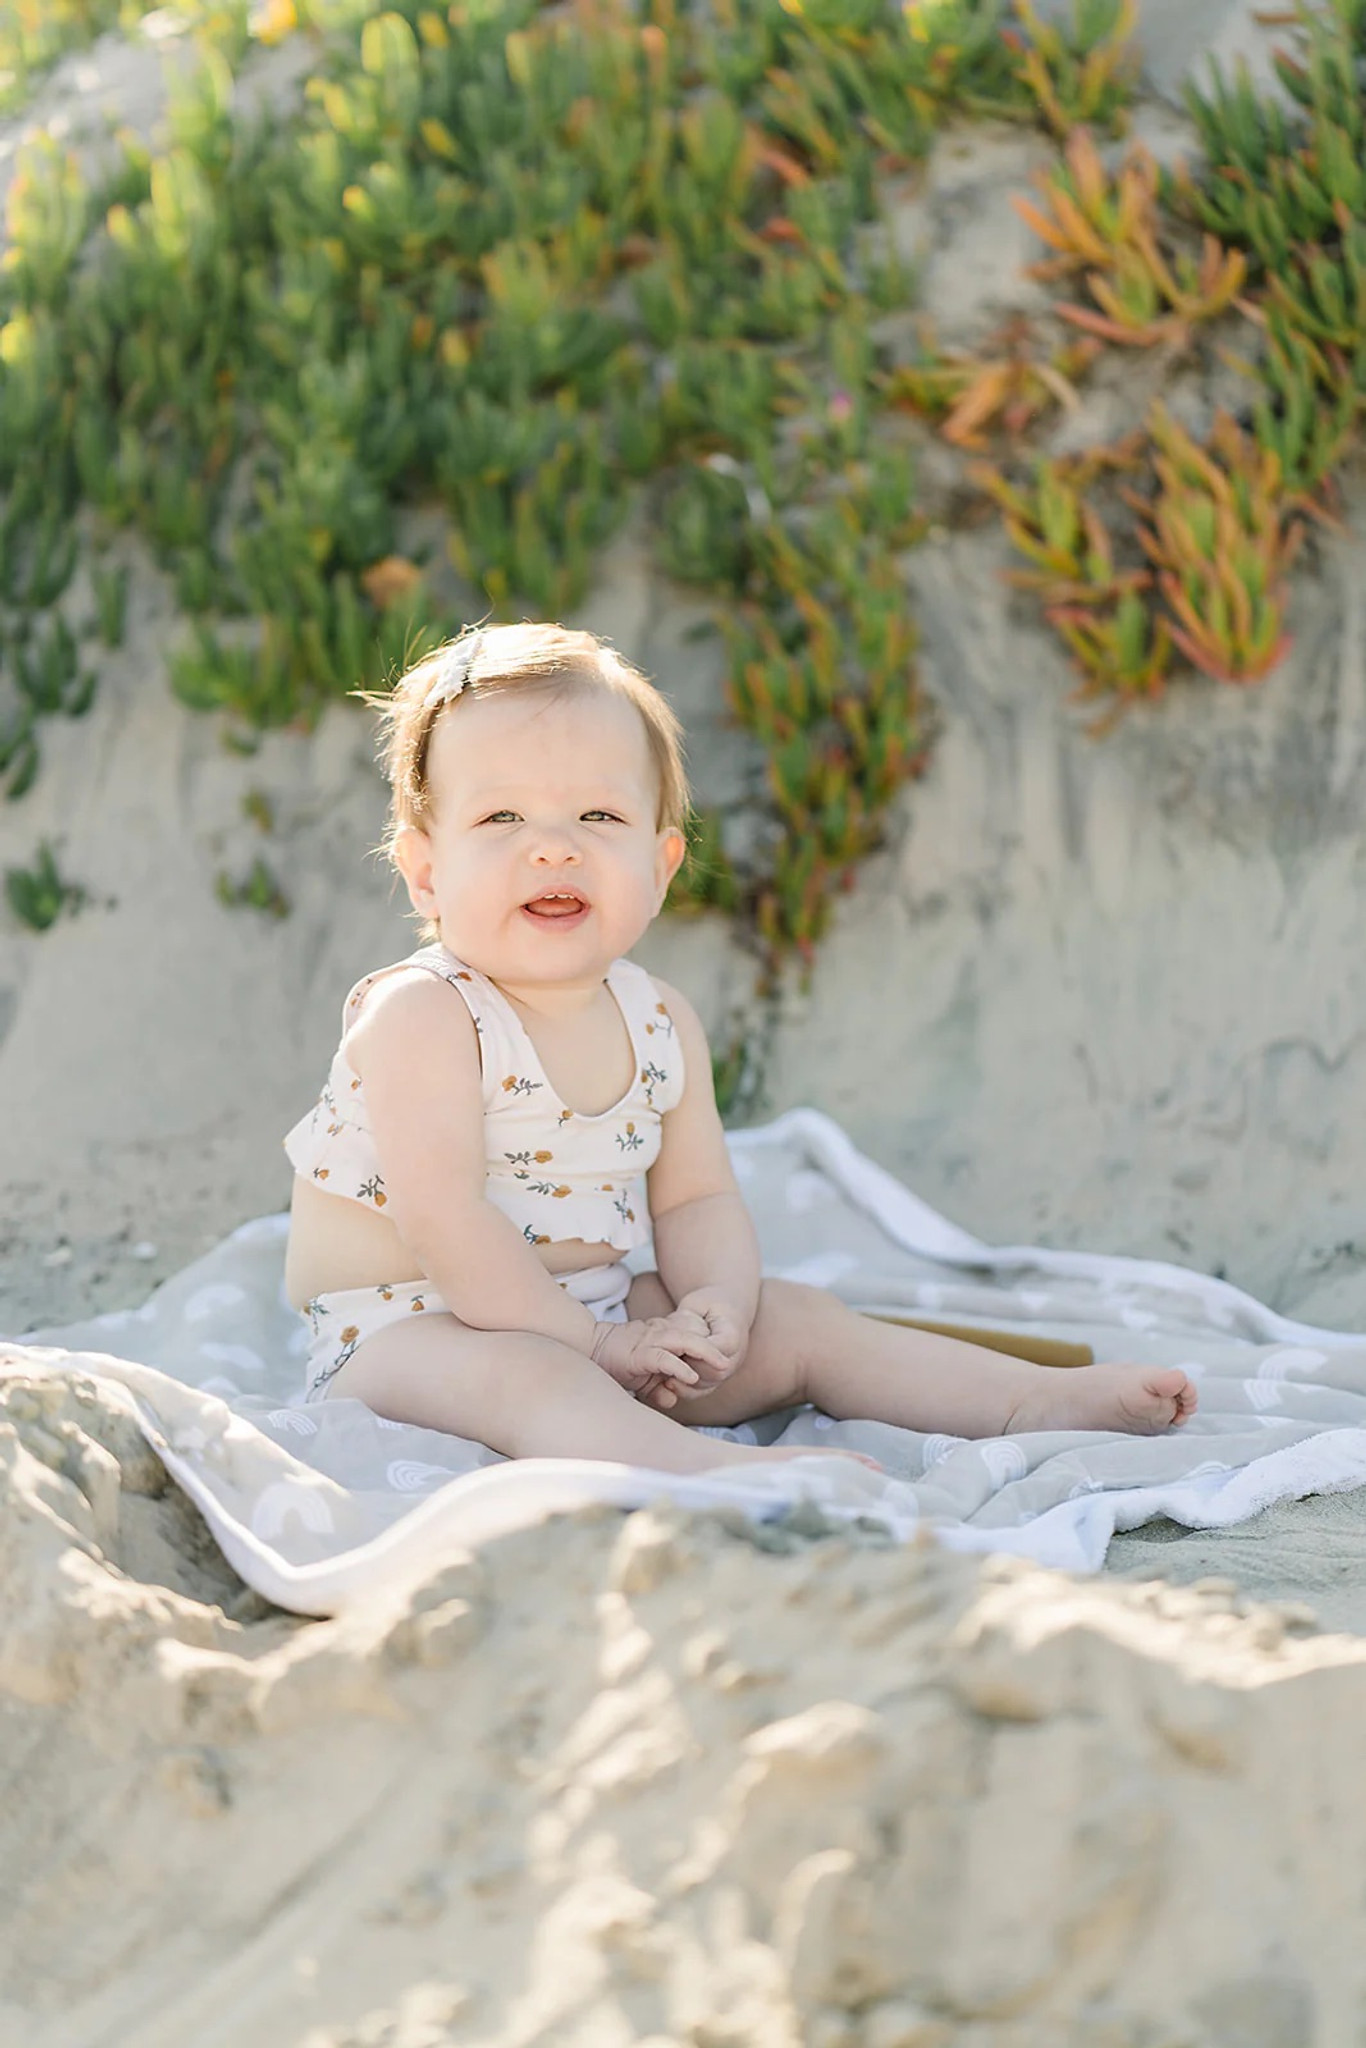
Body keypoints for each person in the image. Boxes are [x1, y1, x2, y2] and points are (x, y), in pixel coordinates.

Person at [281, 621, 1197, 1473]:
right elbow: (447, 1223)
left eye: (598, 818)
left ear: (661, 863)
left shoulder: (659, 1021)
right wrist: (596, 1347)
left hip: (596, 1318)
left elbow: (698, 1199)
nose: (553, 850)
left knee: (799, 1321)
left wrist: (716, 1305)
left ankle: (1024, 1403)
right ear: (426, 870)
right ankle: (718, 1472)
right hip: (407, 1337)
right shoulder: (424, 1014)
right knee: (534, 1379)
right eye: (501, 819)